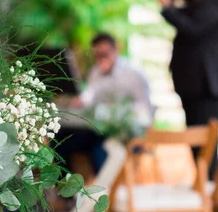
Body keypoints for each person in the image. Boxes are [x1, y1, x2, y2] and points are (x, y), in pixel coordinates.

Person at [153, 0, 218, 180]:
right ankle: (207, 196)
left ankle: (209, 198)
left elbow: (193, 28)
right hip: (197, 85)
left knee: (205, 145)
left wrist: (167, 5)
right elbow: (191, 15)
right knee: (199, 144)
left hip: (206, 86)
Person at [55, 33, 153, 175]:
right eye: (97, 55)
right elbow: (89, 97)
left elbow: (144, 111)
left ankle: (102, 191)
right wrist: (79, 101)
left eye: (105, 53)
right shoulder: (96, 72)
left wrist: (111, 112)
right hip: (99, 128)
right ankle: (65, 190)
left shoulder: (133, 74)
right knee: (61, 137)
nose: (101, 58)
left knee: (100, 146)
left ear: (116, 50)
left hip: (124, 130)